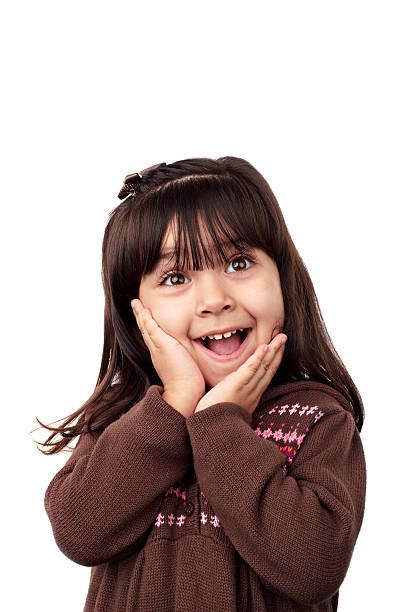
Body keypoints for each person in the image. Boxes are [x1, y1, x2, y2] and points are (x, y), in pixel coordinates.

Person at [38, 156, 366, 611]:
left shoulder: (316, 419)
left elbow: (314, 568)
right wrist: (174, 406)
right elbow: (79, 531)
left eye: (238, 262)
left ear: (283, 279)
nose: (214, 300)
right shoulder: (124, 419)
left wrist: (220, 426)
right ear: (137, 315)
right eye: (176, 277)